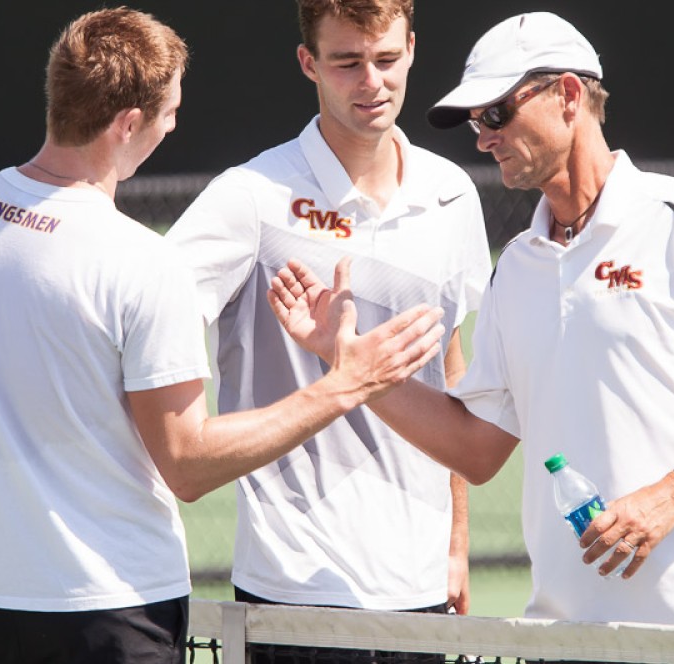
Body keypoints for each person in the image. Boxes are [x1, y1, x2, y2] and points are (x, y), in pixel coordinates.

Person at [0, 8, 445, 664]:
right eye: (169, 112)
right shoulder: (141, 261)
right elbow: (187, 463)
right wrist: (344, 385)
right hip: (119, 616)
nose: (173, 125)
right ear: (127, 124)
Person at [267, 10, 674, 638]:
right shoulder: (516, 271)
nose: (483, 137)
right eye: (477, 122)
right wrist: (357, 372)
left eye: (497, 114)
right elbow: (477, 450)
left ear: (568, 95)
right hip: (566, 636)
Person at [165, 0, 491, 634]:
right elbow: (144, 314)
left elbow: (447, 370)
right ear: (308, 63)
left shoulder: (453, 195)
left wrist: (455, 542)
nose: (371, 82)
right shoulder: (250, 197)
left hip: (419, 589)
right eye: (347, 62)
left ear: (413, 50)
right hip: (289, 589)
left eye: (387, 59)